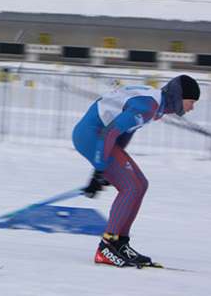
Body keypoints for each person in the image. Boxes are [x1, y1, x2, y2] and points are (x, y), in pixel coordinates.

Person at [72, 75, 200, 268]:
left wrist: (105, 167)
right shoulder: (148, 106)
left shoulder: (155, 104)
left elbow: (125, 132)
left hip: (101, 137)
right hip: (93, 135)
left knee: (140, 185)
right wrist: (99, 169)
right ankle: (107, 246)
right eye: (191, 102)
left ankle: (120, 244)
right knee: (131, 187)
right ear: (179, 96)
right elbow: (111, 132)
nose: (192, 108)